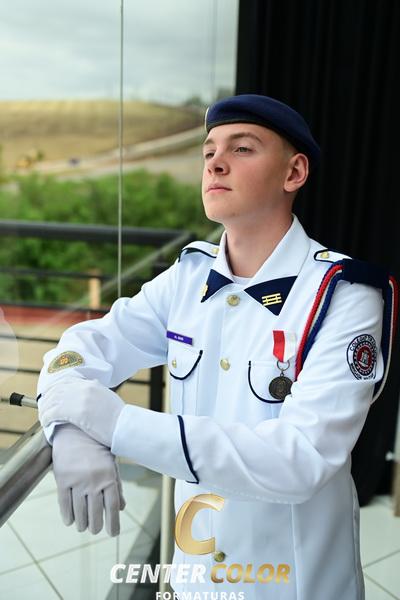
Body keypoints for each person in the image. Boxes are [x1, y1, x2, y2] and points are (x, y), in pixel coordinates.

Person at [37, 94, 396, 600]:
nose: (215, 163)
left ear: (294, 172)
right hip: (196, 576)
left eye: (242, 148)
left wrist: (118, 427)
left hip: (292, 583)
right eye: (209, 152)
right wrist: (69, 429)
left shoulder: (343, 295)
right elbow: (82, 347)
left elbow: (301, 459)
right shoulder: (189, 277)